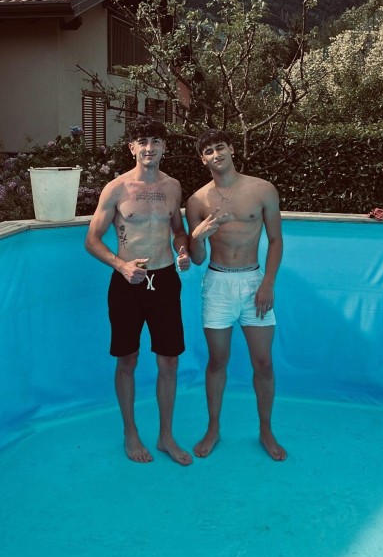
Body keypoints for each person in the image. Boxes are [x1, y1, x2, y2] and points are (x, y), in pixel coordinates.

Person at [85, 117, 192, 466]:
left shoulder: (173, 187)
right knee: (127, 359)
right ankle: (130, 432)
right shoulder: (116, 188)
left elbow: (178, 230)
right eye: (142, 141)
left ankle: (166, 436)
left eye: (156, 141)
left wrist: (182, 249)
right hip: (127, 283)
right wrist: (121, 265)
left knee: (169, 360)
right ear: (132, 148)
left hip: (164, 280)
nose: (149, 147)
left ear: (164, 147)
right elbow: (92, 240)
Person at [186, 128, 286, 461]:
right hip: (217, 284)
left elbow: (276, 240)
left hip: (253, 281)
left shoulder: (262, 189)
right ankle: (213, 428)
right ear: (203, 160)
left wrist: (267, 283)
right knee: (217, 361)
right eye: (208, 151)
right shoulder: (197, 201)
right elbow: (197, 259)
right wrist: (198, 236)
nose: (216, 155)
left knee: (264, 362)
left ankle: (266, 430)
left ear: (231, 149)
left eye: (220, 147)